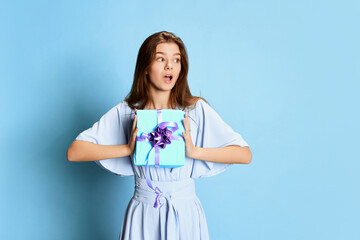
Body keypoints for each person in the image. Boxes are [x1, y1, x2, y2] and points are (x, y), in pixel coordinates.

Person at [67, 31, 252, 240]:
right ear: (146, 67)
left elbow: (244, 155)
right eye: (161, 58)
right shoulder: (128, 112)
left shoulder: (194, 110)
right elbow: (75, 152)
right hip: (143, 213)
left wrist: (194, 151)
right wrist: (127, 149)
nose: (169, 66)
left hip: (185, 212)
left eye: (176, 60)